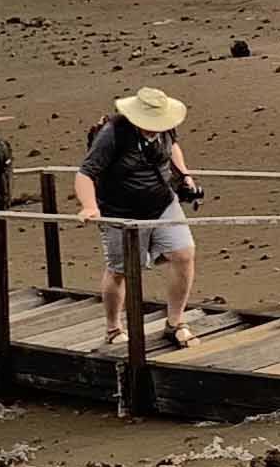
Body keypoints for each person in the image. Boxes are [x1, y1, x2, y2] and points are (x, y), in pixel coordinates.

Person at [75, 86, 202, 350]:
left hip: (163, 202)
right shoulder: (113, 133)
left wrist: (185, 175)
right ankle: (113, 328)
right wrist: (89, 206)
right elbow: (85, 173)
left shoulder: (165, 126)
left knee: (184, 253)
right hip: (121, 211)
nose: (154, 128)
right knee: (121, 270)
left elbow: (172, 147)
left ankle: (175, 323)